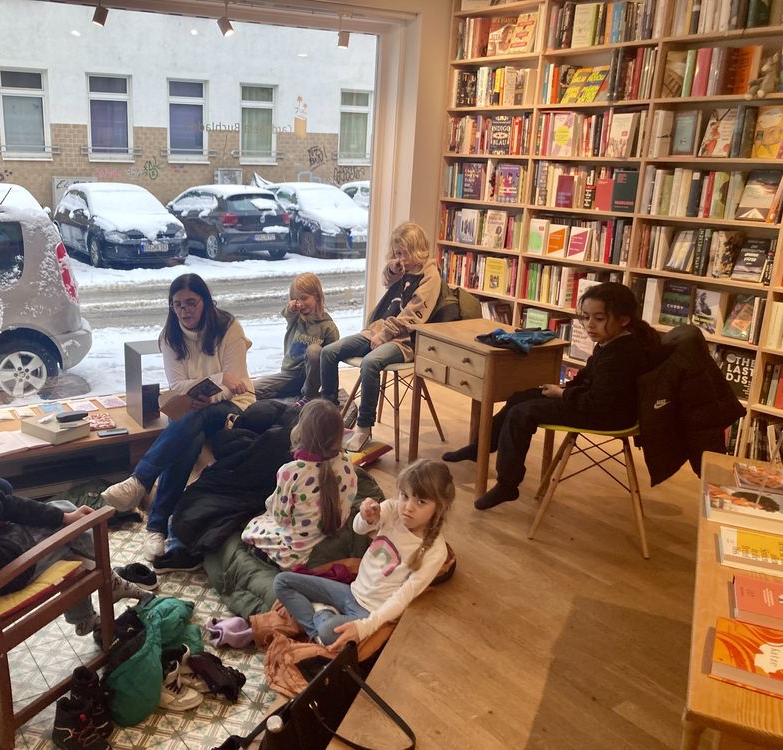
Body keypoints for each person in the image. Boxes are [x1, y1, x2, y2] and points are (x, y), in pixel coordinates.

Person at [0, 406, 149, 635]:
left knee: (65, 510)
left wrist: (64, 517)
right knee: (75, 542)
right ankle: (108, 584)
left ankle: (99, 595)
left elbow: (6, 504)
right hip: (3, 572)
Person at [443, 281, 660, 510]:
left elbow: (599, 402)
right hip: (592, 402)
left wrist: (563, 394)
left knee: (521, 414)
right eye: (586, 317)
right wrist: (563, 390)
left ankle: (507, 484)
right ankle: (480, 448)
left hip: (608, 415)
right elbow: (588, 380)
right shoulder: (610, 342)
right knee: (519, 397)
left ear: (623, 320)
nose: (590, 325)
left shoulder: (623, 354)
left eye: (599, 318)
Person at [101, 273, 254, 565]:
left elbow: (236, 384)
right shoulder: (170, 336)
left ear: (205, 302)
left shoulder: (228, 327)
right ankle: (156, 525)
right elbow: (177, 385)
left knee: (194, 419)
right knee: (189, 436)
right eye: (178, 304)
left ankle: (143, 489)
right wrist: (218, 379)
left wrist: (215, 389)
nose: (184, 311)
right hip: (192, 409)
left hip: (234, 405)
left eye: (191, 303)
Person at [273, 459, 453, 649]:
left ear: (439, 506)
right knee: (282, 581)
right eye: (404, 495)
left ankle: (321, 616)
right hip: (350, 591)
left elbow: (403, 597)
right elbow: (358, 528)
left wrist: (364, 627)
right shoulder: (392, 509)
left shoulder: (435, 552)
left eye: (421, 502)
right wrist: (365, 517)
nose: (408, 507)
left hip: (369, 612)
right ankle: (321, 623)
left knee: (328, 631)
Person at [319, 222, 441, 452]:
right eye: (397, 253)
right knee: (328, 352)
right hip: (377, 330)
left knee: (370, 362)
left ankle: (364, 428)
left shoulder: (430, 276)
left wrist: (385, 335)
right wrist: (393, 269)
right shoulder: (403, 267)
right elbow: (387, 282)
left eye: (404, 253)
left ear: (418, 250)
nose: (401, 258)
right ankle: (329, 416)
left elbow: (413, 316)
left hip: (404, 341)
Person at [241, 399, 358, 570]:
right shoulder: (347, 463)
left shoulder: (291, 471)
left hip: (294, 555)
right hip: (328, 535)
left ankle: (269, 559)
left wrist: (270, 504)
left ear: (301, 431)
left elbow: (281, 518)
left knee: (252, 527)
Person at [253, 272, 339, 406]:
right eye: (295, 299)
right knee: (251, 390)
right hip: (289, 375)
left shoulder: (328, 327)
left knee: (314, 350)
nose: (300, 304)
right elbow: (287, 312)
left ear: (316, 296)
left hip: (310, 379)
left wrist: (331, 395)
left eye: (304, 298)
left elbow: (332, 362)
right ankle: (287, 395)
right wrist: (291, 306)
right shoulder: (295, 318)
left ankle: (309, 396)